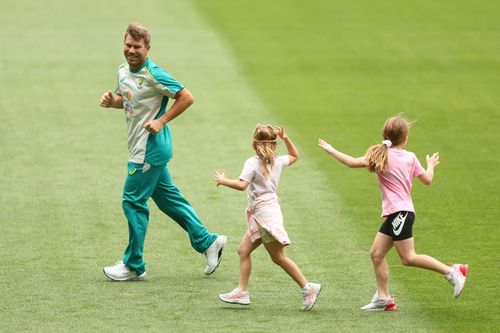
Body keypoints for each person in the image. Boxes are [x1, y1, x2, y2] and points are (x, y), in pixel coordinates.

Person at [99, 23, 226, 281]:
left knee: (132, 201)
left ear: (147, 48)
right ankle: (208, 241)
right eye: (128, 45)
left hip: (150, 149)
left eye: (137, 47)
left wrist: (162, 120)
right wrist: (113, 102)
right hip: (141, 147)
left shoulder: (154, 74)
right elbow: (127, 98)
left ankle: (134, 265)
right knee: (169, 200)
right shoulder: (122, 71)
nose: (131, 50)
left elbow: (186, 97)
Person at [318, 115, 469, 311]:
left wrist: (331, 150)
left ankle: (453, 271)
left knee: (409, 258)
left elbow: (351, 162)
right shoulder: (410, 157)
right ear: (405, 138)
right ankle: (383, 299)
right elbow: (427, 180)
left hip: (400, 214)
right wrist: (430, 164)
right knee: (377, 254)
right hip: (399, 213)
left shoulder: (379, 155)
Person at [214, 124, 321, 311]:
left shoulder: (251, 163)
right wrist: (286, 138)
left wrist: (223, 181)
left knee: (278, 257)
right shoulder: (277, 161)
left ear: (254, 143)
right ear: (274, 143)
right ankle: (242, 291)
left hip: (264, 215)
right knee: (243, 251)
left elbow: (242, 185)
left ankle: (308, 288)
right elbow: (295, 156)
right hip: (266, 212)